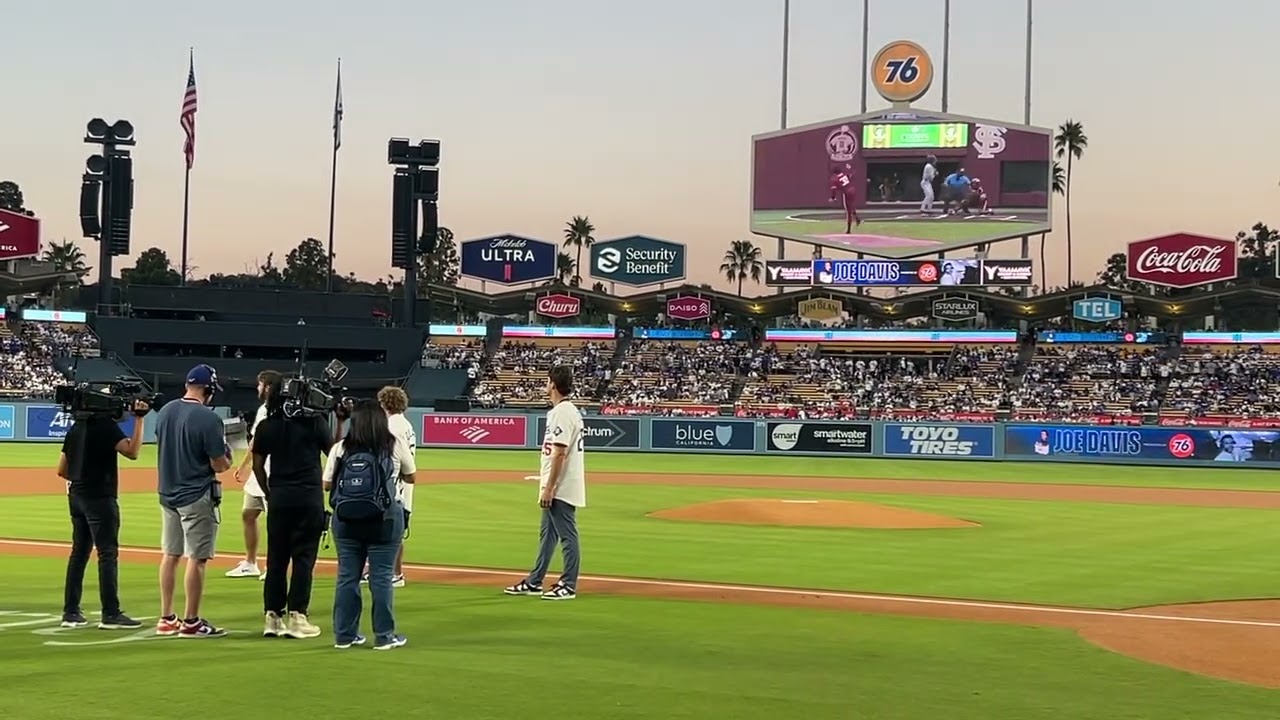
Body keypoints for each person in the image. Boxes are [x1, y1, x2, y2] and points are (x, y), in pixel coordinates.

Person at [250, 375, 343, 639]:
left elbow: (257, 466)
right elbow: (335, 455)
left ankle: (272, 617)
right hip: (308, 497)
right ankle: (298, 616)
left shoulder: (266, 426)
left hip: (279, 497)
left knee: (276, 559)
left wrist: (269, 492)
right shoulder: (315, 423)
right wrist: (341, 422)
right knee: (303, 559)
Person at [325, 400, 417, 650]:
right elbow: (411, 475)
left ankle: (344, 636)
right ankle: (384, 636)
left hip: (345, 518)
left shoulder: (341, 448)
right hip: (384, 518)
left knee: (347, 577)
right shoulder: (392, 444)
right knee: (382, 578)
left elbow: (326, 484)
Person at [154, 364, 233, 638]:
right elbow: (219, 464)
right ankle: (191, 622)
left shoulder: (165, 411)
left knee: (170, 555)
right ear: (208, 389)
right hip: (196, 494)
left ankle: (166, 618)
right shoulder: (209, 419)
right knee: (197, 559)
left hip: (167, 493)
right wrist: (228, 455)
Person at [58, 398, 149, 629]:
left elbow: (62, 469)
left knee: (78, 554)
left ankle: (70, 611)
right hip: (100, 497)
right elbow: (132, 451)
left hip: (77, 495)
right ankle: (110, 613)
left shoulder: (76, 427)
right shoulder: (106, 426)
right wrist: (139, 420)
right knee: (107, 554)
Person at [504, 365, 586, 601]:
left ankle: (568, 584)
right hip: (557, 483)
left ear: (553, 384)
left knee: (567, 535)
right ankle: (535, 581)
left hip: (560, 486)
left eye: (547, 381)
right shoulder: (568, 411)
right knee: (547, 535)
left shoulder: (562, 412)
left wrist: (549, 487)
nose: (545, 385)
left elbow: (559, 453)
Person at [228, 370, 283, 580]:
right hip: (258, 473)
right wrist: (244, 466)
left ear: (268, 387)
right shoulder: (263, 409)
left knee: (275, 522)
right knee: (248, 514)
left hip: (272, 472)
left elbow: (258, 441)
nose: (257, 388)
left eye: (260, 385)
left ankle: (274, 567)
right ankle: (251, 562)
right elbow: (255, 442)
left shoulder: (276, 410)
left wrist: (244, 466)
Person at [361, 386, 416, 588]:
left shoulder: (391, 426)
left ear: (385, 403)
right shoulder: (405, 424)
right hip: (402, 486)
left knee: (390, 531)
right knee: (395, 530)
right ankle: (387, 571)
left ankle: (395, 573)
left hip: (393, 486)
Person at [828, 164, 861, 234]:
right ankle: (857, 217)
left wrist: (833, 198)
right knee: (851, 205)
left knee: (848, 211)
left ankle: (848, 230)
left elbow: (833, 189)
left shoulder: (834, 179)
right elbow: (852, 174)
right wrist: (850, 168)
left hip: (847, 192)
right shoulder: (844, 174)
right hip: (852, 189)